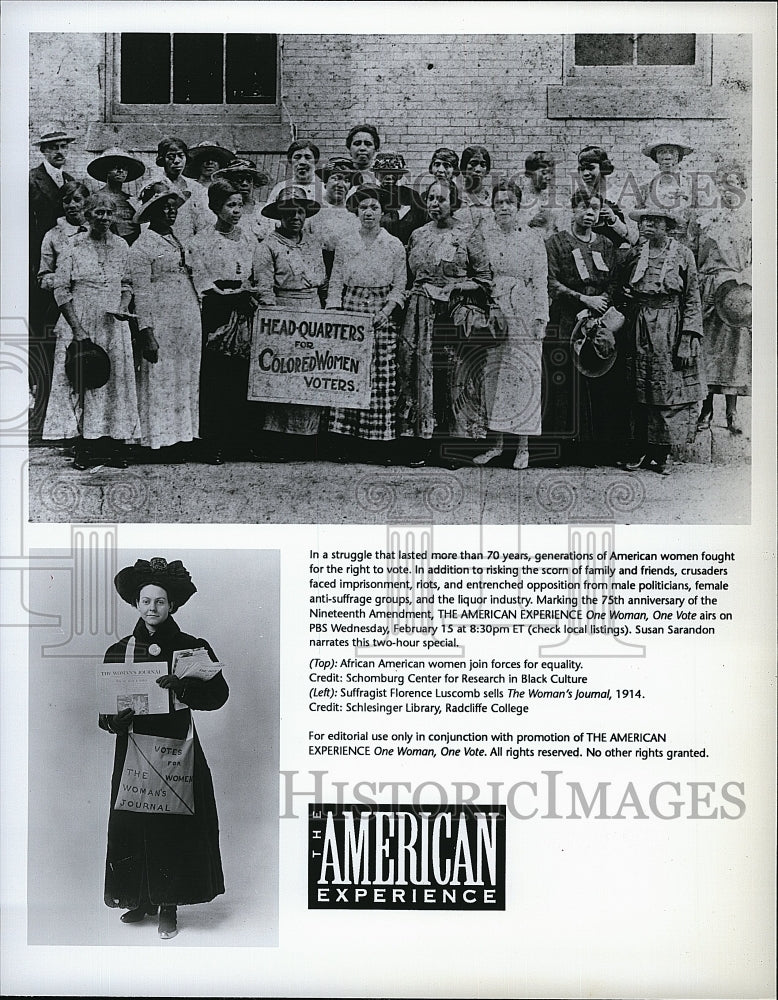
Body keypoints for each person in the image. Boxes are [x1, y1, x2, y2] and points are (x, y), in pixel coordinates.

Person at [101, 557, 228, 941]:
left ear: (171, 605)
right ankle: (139, 898)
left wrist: (183, 688)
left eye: (160, 601)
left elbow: (218, 695)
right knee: (134, 820)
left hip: (177, 747)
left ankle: (169, 905)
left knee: (172, 823)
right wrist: (114, 721)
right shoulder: (119, 650)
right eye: (145, 601)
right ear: (136, 605)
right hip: (134, 749)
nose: (152, 608)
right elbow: (104, 712)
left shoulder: (192, 647)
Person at [397, 179, 492, 467]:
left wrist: (456, 289)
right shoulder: (417, 235)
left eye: (442, 199)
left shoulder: (468, 234)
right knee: (421, 375)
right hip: (421, 314)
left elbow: (485, 279)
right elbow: (411, 277)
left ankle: (454, 447)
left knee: (456, 376)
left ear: (454, 203)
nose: (435, 204)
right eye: (431, 199)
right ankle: (421, 442)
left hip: (454, 312)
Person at [43, 191, 139, 468]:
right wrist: (77, 329)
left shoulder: (122, 246)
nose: (105, 218)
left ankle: (114, 445)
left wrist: (122, 306)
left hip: (112, 322)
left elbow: (127, 283)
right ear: (87, 215)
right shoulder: (72, 247)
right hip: (81, 319)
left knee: (114, 383)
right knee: (85, 380)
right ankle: (85, 447)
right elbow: (61, 290)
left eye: (109, 213)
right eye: (99, 212)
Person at [613, 207, 705, 476]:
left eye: (655, 221)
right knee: (638, 386)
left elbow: (692, 297)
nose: (648, 225)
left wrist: (688, 336)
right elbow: (621, 285)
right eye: (645, 221)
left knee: (666, 389)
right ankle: (638, 448)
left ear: (667, 226)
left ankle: (660, 453)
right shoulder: (635, 253)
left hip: (670, 324)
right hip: (639, 322)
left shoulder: (682, 254)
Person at [544, 191, 628, 466]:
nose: (589, 212)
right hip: (567, 318)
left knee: (599, 379)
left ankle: (597, 450)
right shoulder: (556, 243)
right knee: (565, 382)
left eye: (594, 208)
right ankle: (563, 450)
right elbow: (551, 281)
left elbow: (615, 280)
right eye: (584, 207)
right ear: (573, 210)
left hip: (600, 318)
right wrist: (581, 299)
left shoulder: (605, 244)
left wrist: (602, 302)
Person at [325, 184, 407, 463]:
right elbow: (336, 280)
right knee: (349, 374)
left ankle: (379, 445)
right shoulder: (347, 242)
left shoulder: (393, 244)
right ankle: (344, 443)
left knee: (381, 375)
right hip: (351, 308)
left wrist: (387, 310)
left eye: (374, 207)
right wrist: (337, 313)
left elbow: (400, 284)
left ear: (383, 212)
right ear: (356, 212)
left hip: (381, 310)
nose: (368, 212)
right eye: (363, 207)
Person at [186, 179, 264, 465]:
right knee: (217, 376)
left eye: (239, 205)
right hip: (218, 310)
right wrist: (228, 296)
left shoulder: (248, 238)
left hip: (244, 308)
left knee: (241, 376)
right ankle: (213, 442)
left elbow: (254, 273)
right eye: (230, 205)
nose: (235, 211)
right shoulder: (201, 241)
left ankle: (239, 441)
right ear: (215, 208)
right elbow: (202, 282)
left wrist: (248, 294)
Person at [473, 181, 548, 470]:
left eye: (510, 202)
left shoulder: (531, 238)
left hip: (523, 308)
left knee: (523, 377)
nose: (504, 207)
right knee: (494, 377)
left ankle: (522, 447)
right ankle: (496, 444)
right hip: (494, 309)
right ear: (492, 206)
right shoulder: (485, 237)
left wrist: (541, 317)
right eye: (499, 202)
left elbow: (540, 280)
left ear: (518, 206)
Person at [128, 184, 202, 457]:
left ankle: (181, 437)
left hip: (186, 315)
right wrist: (146, 331)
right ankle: (157, 441)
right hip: (161, 317)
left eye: (173, 206)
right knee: (160, 376)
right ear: (150, 211)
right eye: (163, 206)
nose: (170, 211)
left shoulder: (177, 240)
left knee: (183, 375)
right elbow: (141, 293)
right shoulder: (142, 246)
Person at [255, 186, 327, 459]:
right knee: (283, 374)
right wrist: (274, 319)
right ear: (279, 215)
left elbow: (321, 281)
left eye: (299, 211)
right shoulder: (268, 246)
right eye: (289, 211)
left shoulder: (313, 243)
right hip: (283, 313)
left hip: (312, 310)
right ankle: (279, 441)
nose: (295, 217)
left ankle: (307, 440)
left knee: (310, 372)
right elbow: (264, 289)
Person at [696, 162, 751, 434]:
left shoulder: (750, 223)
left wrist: (747, 279)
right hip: (710, 290)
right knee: (709, 351)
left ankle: (732, 412)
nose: (729, 191)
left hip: (736, 294)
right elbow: (698, 258)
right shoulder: (708, 222)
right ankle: (705, 410)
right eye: (724, 185)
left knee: (734, 352)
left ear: (742, 188)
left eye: (735, 184)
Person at [29, 127, 77, 439]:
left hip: (69, 268)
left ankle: (64, 417)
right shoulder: (32, 181)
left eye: (63, 147)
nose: (59, 152)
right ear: (44, 151)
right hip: (41, 266)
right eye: (53, 147)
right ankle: (37, 411)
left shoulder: (71, 182)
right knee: (42, 337)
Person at [639, 135, 699, 259]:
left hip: (682, 246)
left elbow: (695, 219)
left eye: (672, 152)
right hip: (653, 247)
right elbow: (640, 220)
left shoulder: (690, 186)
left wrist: (690, 247)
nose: (667, 156)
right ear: (656, 157)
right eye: (662, 152)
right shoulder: (647, 188)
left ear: (678, 157)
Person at [307, 155, 359, 287]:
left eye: (347, 180)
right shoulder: (312, 211)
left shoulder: (354, 215)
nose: (341, 185)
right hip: (315, 273)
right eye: (336, 178)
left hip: (345, 275)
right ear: (325, 183)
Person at [152, 137, 212, 241]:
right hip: (164, 242)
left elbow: (204, 220)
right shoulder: (154, 186)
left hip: (193, 243)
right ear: (162, 159)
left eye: (181, 156)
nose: (176, 161)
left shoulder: (196, 188)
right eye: (171, 157)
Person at [37, 181, 90, 292]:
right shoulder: (52, 235)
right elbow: (43, 278)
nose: (71, 205)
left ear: (87, 201)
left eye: (77, 200)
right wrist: (67, 279)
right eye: (66, 201)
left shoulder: (98, 229)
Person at [86, 147, 146, 245]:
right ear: (106, 170)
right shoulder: (96, 198)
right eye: (115, 167)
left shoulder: (131, 200)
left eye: (124, 168)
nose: (120, 171)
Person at [575, 146, 633, 246]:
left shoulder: (620, 196)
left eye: (591, 168)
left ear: (603, 167)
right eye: (582, 169)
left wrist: (614, 219)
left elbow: (634, 237)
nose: (585, 173)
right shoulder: (578, 197)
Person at [212, 158, 272, 241]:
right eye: (239, 179)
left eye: (248, 180)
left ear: (253, 182)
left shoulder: (264, 210)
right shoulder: (220, 210)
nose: (244, 183)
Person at [371, 150, 420, 246]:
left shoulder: (411, 195)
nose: (389, 177)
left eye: (394, 172)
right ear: (376, 174)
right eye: (384, 173)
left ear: (400, 175)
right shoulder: (369, 195)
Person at [517, 150, 561, 237]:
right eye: (544, 173)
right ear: (529, 173)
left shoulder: (550, 199)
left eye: (551, 173)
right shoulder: (519, 197)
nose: (549, 177)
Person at [265, 139, 324, 203]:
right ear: (291, 161)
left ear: (315, 161)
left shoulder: (324, 188)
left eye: (308, 157)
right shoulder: (280, 188)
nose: (302, 162)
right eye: (297, 157)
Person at [455, 144, 493, 233]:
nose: (478, 169)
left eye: (483, 165)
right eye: (473, 164)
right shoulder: (456, 196)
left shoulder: (491, 199)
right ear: (463, 167)